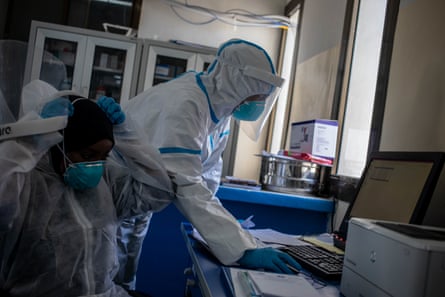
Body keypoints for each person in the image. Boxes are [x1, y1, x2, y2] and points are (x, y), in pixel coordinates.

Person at [117, 39, 302, 289]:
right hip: (110, 196)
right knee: (100, 278)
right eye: (257, 95)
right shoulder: (186, 105)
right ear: (238, 84)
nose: (259, 103)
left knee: (124, 278)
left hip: (136, 201)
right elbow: (186, 183)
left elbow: (208, 176)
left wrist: (225, 229)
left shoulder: (220, 110)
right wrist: (242, 248)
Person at [0, 80, 175, 297]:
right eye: (87, 155)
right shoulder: (25, 184)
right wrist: (31, 138)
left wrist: (126, 134)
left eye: (104, 156)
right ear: (60, 146)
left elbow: (159, 192)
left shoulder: (106, 181)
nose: (95, 166)